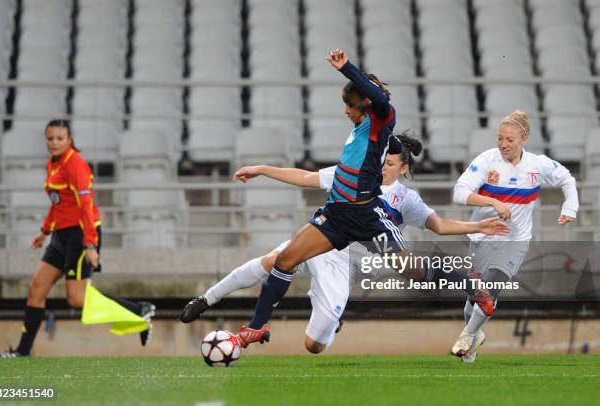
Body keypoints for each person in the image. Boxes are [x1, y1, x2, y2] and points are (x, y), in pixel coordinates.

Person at [222, 49, 495, 347]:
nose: (345, 111)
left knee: (413, 272)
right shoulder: (361, 128)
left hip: (367, 218)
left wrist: (347, 69)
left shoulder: (381, 120)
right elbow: (309, 174)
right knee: (285, 260)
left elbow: (381, 101)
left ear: (365, 103)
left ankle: (471, 285)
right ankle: (255, 327)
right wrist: (261, 169)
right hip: (336, 215)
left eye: (350, 105)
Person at [182, 134, 508, 353]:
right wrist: (262, 169)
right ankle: (208, 298)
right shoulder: (353, 173)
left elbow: (437, 225)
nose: (383, 169)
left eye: (391, 164)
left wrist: (476, 225)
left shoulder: (405, 198)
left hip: (347, 262)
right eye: (381, 161)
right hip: (326, 234)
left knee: (315, 345)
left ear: (404, 168)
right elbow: (306, 177)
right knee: (276, 259)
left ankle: (464, 281)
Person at [0, 119, 155, 358]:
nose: (54, 143)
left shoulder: (76, 165)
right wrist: (45, 231)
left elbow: (86, 207)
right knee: (36, 288)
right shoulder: (53, 163)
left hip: (81, 234)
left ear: (69, 140)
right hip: (61, 234)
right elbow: (58, 203)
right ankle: (22, 351)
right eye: (50, 138)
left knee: (77, 299)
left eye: (60, 138)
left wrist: (90, 244)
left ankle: (139, 310)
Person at [450, 110, 579, 362]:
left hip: (515, 241)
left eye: (510, 139)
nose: (503, 144)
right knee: (473, 300)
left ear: (524, 139)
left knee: (490, 293)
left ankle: (466, 338)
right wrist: (493, 202)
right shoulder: (487, 160)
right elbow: (459, 193)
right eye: (500, 138)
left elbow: (567, 180)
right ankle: (475, 337)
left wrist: (569, 208)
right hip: (482, 238)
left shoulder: (537, 164)